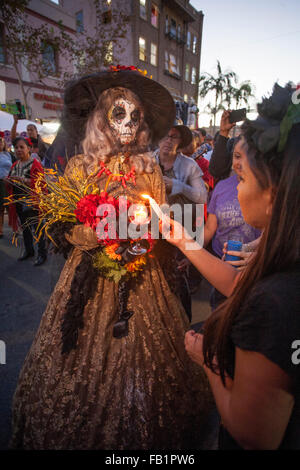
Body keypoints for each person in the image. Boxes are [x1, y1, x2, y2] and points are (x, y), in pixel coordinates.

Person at [10, 68, 213, 450]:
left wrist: (144, 237)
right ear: (102, 117)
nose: (129, 123)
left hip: (144, 277)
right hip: (89, 279)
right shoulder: (78, 168)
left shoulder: (150, 168)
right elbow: (63, 228)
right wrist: (98, 235)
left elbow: (161, 221)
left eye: (135, 116)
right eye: (120, 114)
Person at [160, 83, 300, 449]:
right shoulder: (281, 257)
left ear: (276, 195)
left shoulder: (276, 301)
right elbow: (239, 284)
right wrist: (184, 242)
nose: (236, 190)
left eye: (243, 178)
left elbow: (252, 433)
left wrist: (206, 362)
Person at [6, 137, 47, 265]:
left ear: (28, 149)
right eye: (16, 147)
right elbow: (11, 180)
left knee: (38, 228)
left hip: (32, 201)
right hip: (18, 201)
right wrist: (9, 181)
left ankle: (42, 254)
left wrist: (22, 180)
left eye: (21, 147)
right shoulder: (15, 164)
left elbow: (41, 183)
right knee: (25, 228)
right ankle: (29, 251)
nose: (18, 150)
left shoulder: (35, 163)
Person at [0, 134, 12, 238]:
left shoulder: (8, 154)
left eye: (1, 141)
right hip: (0, 182)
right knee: (0, 208)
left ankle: (16, 229)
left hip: (8, 182)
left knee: (10, 207)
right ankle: (0, 231)